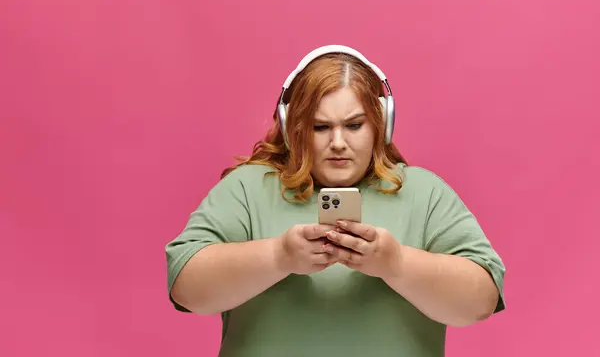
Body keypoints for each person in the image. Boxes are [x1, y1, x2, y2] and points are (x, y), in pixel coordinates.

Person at [165, 45, 506, 357]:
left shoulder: (423, 192)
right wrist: (279, 256)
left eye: (354, 125)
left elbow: (480, 302)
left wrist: (396, 264)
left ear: (380, 125)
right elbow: (187, 288)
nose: (338, 142)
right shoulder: (248, 188)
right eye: (319, 127)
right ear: (291, 128)